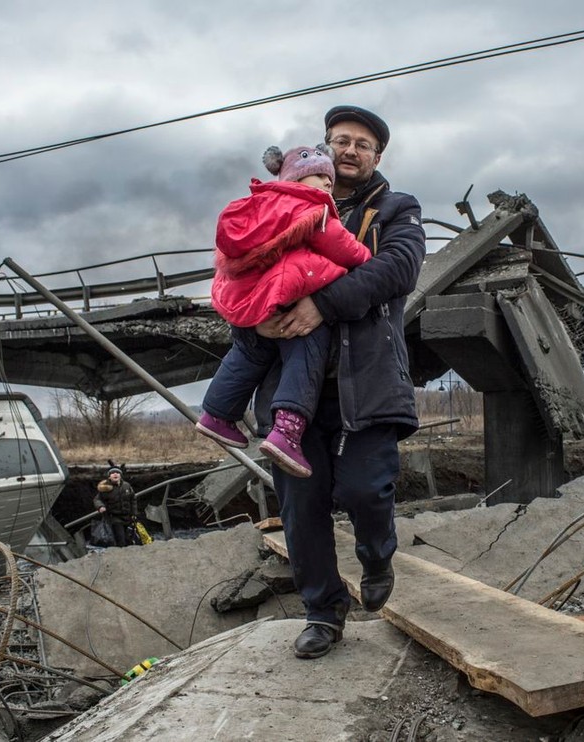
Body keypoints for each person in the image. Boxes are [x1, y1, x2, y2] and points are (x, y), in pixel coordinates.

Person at [254, 106, 425, 659]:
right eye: (340, 141)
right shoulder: (281, 203)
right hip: (291, 394)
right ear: (324, 148)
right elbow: (243, 266)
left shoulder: (397, 209)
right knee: (301, 509)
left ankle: (377, 555)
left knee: (363, 490)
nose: (350, 151)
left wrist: (321, 303)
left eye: (362, 145)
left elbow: (397, 270)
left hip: (368, 382)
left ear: (377, 157)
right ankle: (323, 614)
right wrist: (253, 312)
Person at [196, 144, 372, 478]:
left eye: (328, 179)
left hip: (255, 298)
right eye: (318, 176)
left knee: (248, 353)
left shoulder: (261, 205)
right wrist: (367, 259)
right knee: (306, 352)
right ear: (295, 178)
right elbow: (343, 247)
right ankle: (287, 432)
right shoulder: (312, 210)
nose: (325, 185)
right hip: (288, 293)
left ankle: (216, 413)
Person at [93, 467, 138, 547]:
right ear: (109, 477)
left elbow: (133, 499)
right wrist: (100, 506)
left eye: (117, 473)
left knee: (128, 538)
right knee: (120, 538)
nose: (115, 474)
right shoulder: (105, 487)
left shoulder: (126, 486)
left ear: (120, 476)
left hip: (127, 516)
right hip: (114, 517)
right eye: (113, 473)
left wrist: (134, 513)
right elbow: (97, 499)